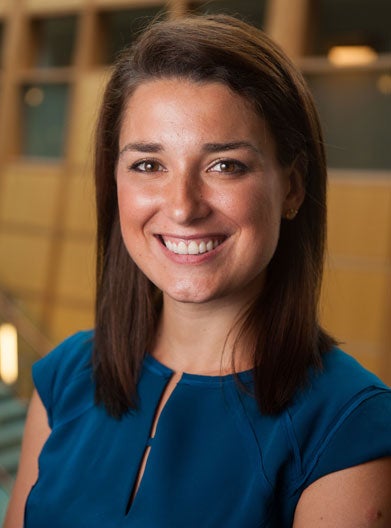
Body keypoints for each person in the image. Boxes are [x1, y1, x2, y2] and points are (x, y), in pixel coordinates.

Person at [4, 14, 391, 528]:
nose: (183, 207)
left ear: (292, 188)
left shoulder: (349, 428)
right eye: (148, 165)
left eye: (225, 165)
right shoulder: (68, 374)